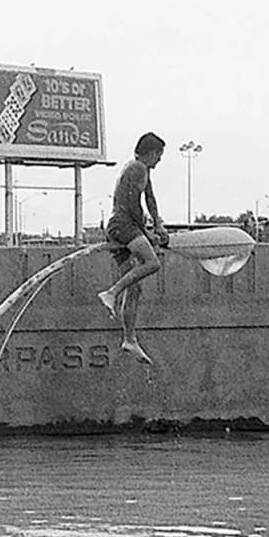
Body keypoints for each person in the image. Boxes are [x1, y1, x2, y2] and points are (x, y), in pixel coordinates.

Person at [97, 132, 169, 365]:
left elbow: (150, 199)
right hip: (123, 226)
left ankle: (129, 339)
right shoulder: (137, 167)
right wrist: (145, 232)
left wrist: (158, 223)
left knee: (136, 290)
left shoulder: (142, 170)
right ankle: (111, 293)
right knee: (152, 263)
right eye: (160, 156)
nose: (160, 161)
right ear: (152, 153)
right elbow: (133, 204)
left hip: (121, 226)